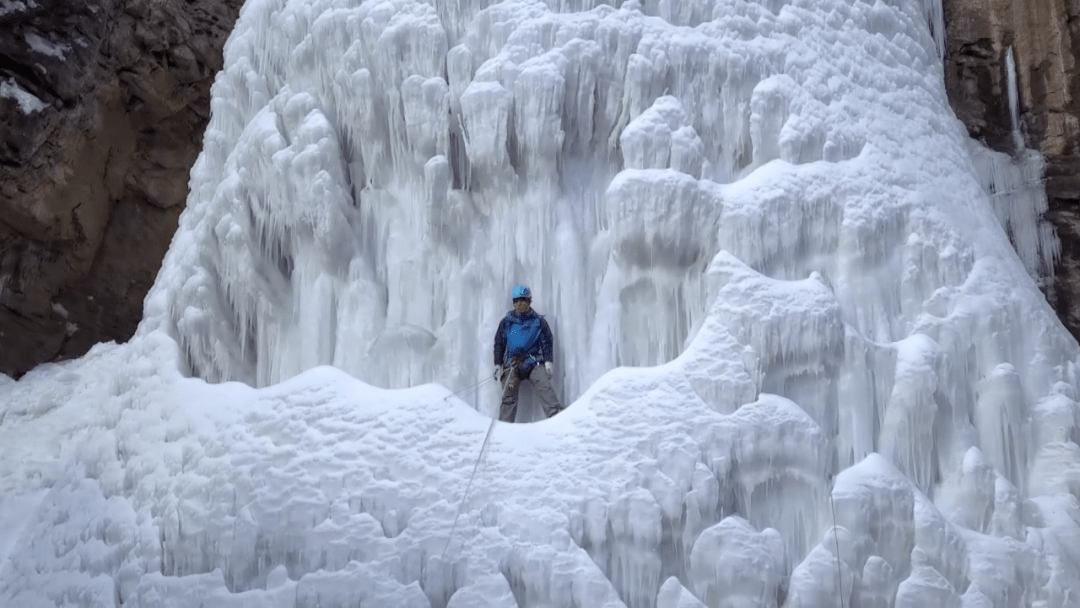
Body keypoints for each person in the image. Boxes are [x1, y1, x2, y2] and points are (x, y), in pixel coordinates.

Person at [493, 285, 562, 422]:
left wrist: (548, 361)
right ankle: (504, 426)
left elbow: (547, 342)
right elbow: (499, 343)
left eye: (522, 300)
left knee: (545, 386)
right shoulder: (506, 322)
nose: (519, 304)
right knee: (509, 394)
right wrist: (498, 364)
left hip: (533, 362)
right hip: (512, 363)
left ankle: (557, 418)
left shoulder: (539, 321)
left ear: (529, 301)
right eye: (516, 301)